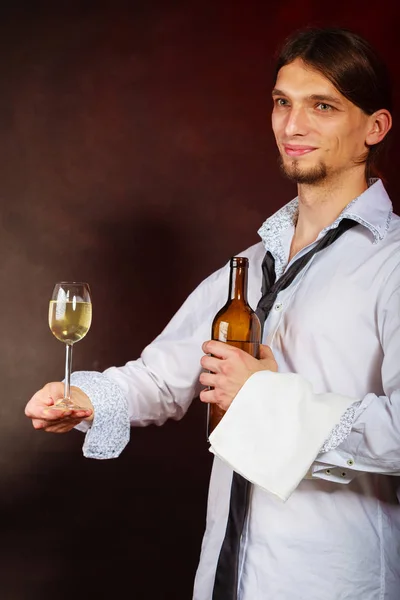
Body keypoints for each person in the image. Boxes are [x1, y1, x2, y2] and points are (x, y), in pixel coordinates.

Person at [25, 26, 400, 600]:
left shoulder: (393, 263)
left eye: (322, 106)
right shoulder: (248, 265)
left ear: (374, 127)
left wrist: (269, 398)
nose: (292, 127)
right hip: (225, 578)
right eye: (282, 103)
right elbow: (166, 374)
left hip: (333, 583)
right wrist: (84, 399)